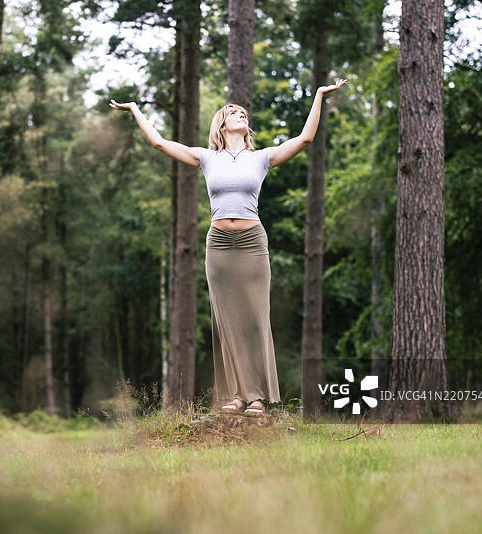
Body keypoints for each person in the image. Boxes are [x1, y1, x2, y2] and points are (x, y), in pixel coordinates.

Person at [110, 78, 347, 414]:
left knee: (254, 318)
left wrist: (320, 95)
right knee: (225, 320)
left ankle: (257, 397)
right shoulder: (207, 158)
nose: (241, 115)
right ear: (221, 124)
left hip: (252, 242)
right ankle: (235, 396)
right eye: (234, 112)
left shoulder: (262, 158)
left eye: (243, 113)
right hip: (218, 243)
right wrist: (135, 109)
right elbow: (160, 143)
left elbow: (305, 137)